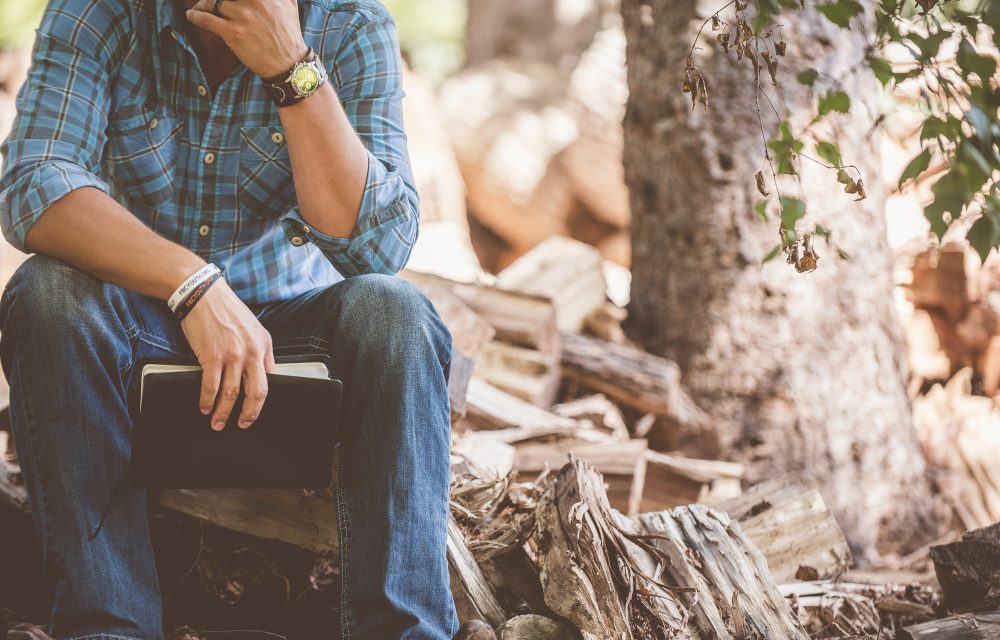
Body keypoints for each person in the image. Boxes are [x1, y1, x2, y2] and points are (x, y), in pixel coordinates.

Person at [0, 0, 491, 638]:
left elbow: (379, 248)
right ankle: (107, 627)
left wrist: (291, 68)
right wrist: (193, 284)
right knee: (47, 293)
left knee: (398, 316)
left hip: (295, 340)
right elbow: (33, 186)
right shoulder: (98, 11)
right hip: (135, 328)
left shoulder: (350, 22)